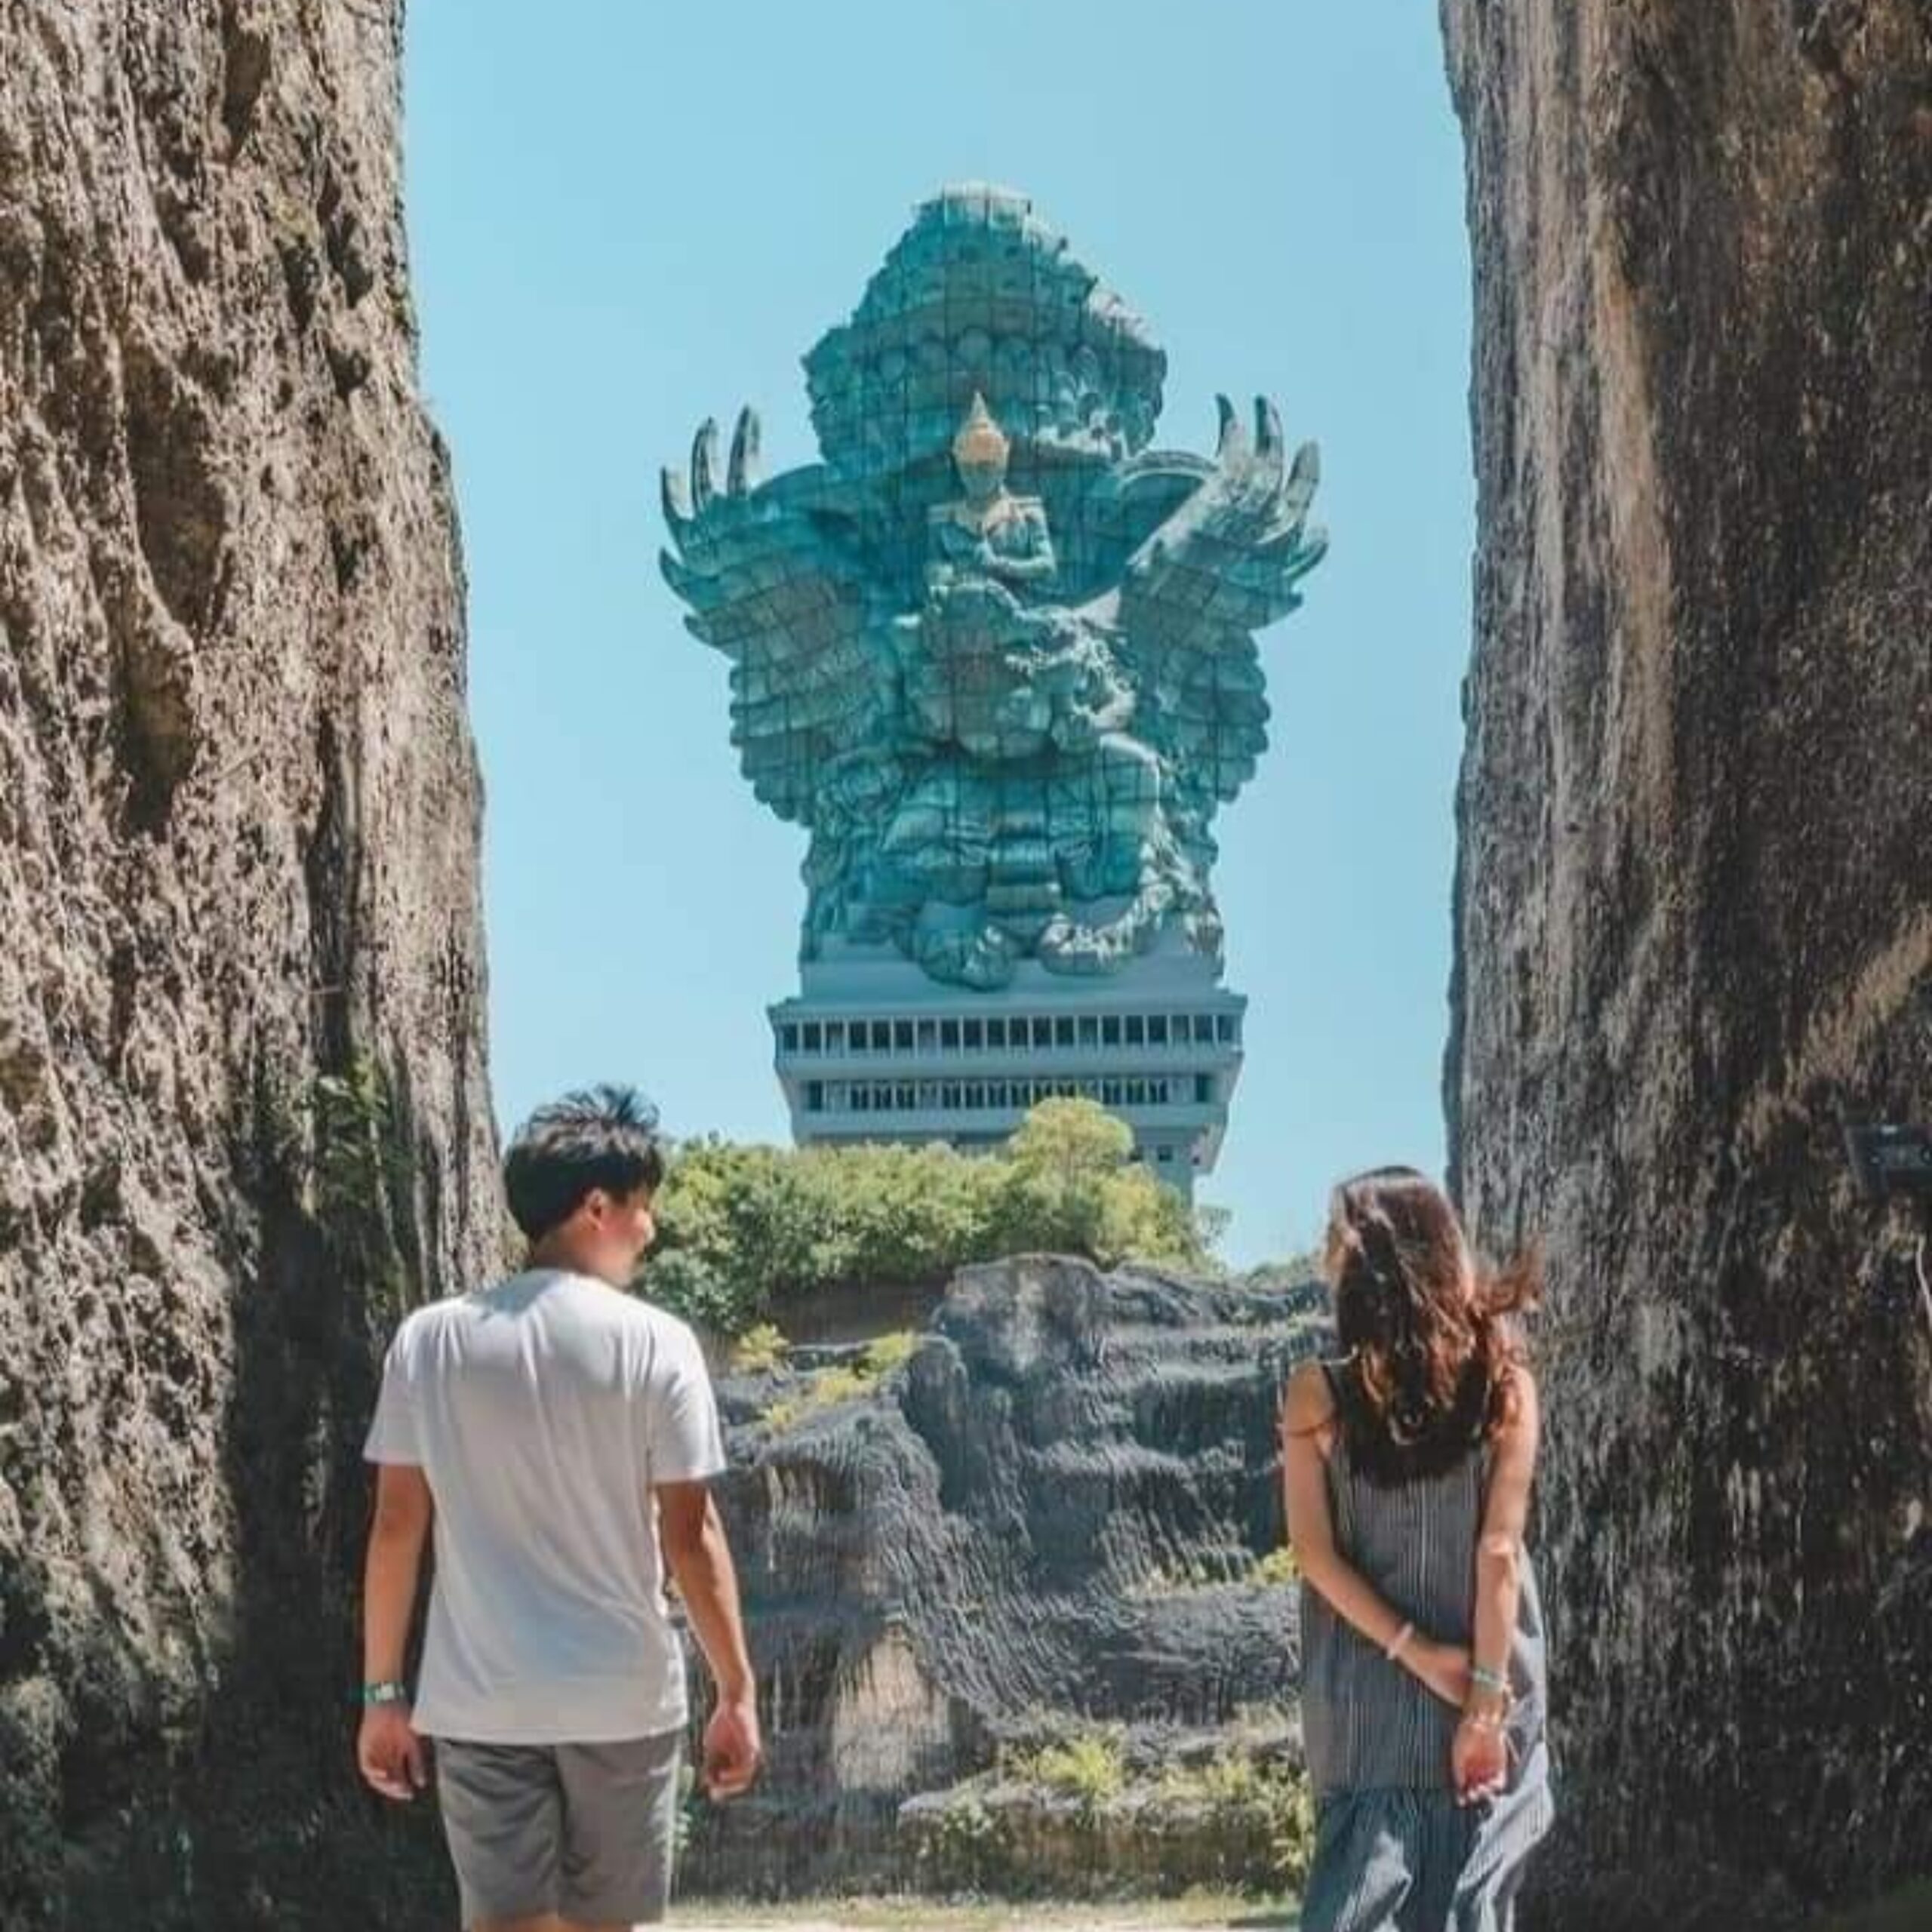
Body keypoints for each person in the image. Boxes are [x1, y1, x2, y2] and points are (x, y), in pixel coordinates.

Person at [355, 1085, 761, 1931]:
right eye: (643, 1206)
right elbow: (690, 1537)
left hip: (482, 1701)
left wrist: (383, 1693)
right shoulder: (658, 1344)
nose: (650, 1229)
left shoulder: (430, 1339)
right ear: (597, 1207)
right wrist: (736, 1691)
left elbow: (396, 1530)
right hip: (620, 1699)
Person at [1280, 1167, 1553, 1931]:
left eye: (1336, 1247)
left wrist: (1418, 1653)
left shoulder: (1315, 1395)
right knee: (1475, 1896)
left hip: (1365, 1702)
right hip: (1487, 1676)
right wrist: (1485, 1700)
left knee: (1362, 1895)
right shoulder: (1507, 1386)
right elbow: (1498, 1552)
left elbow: (1315, 1555)